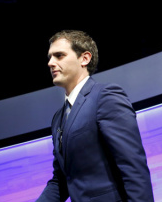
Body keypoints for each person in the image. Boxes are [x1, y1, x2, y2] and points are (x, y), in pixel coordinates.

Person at [37, 30, 154, 202]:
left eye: (59, 55)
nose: (50, 63)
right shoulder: (58, 118)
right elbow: (61, 180)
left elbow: (133, 167)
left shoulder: (105, 96)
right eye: (50, 57)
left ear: (84, 58)